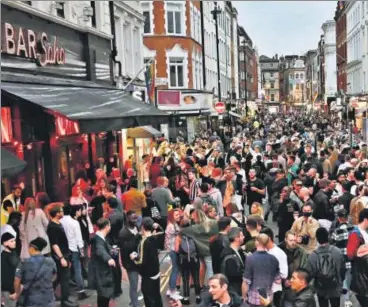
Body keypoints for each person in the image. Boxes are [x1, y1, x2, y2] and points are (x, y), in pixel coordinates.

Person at [306, 227, 345, 307]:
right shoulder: (337, 251)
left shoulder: (313, 255)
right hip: (335, 287)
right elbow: (343, 269)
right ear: (328, 236)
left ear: (317, 239)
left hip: (321, 288)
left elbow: (309, 273)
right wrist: (340, 282)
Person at [47, 205, 77, 307]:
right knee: (65, 277)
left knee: (60, 277)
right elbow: (54, 244)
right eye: (61, 211)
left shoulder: (58, 223)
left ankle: (49, 292)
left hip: (65, 253)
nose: (62, 212)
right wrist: (61, 258)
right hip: (60, 256)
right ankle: (65, 301)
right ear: (56, 214)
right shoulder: (52, 227)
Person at [14, 237, 57, 307]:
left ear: (32, 248)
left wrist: (17, 293)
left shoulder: (24, 262)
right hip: (49, 298)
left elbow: (16, 280)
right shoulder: (50, 261)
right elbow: (54, 276)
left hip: (31, 300)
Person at [60, 205, 90, 300]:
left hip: (64, 249)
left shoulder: (60, 221)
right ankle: (81, 291)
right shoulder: (74, 222)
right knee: (78, 269)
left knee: (65, 270)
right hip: (74, 248)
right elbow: (79, 238)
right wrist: (81, 250)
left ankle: (65, 290)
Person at [242, 234, 281, 307]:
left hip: (254, 299)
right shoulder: (273, 259)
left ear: (256, 242)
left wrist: (244, 297)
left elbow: (246, 282)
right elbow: (278, 281)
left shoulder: (250, 258)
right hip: (268, 298)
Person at [132, 217, 163, 307]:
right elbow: (162, 232)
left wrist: (134, 258)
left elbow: (141, 261)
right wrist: (158, 226)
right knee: (157, 297)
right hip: (156, 272)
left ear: (142, 227)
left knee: (149, 300)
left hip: (148, 276)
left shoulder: (144, 242)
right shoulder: (154, 236)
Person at [168, 274, 243, 307]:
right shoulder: (205, 303)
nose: (210, 290)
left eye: (214, 287)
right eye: (209, 287)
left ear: (224, 287)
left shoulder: (241, 304)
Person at [89, 218, 116, 307]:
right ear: (106, 226)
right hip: (101, 273)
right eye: (110, 225)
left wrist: (112, 250)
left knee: (102, 295)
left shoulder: (100, 237)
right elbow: (100, 250)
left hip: (101, 272)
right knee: (104, 296)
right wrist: (109, 258)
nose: (110, 227)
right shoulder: (98, 240)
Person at [278, 231, 308, 307]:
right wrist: (283, 281)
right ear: (285, 239)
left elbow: (305, 268)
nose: (293, 243)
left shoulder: (301, 252)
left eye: (295, 240)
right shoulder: (279, 251)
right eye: (291, 240)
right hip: (281, 289)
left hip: (296, 288)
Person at [119, 211, 141, 307]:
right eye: (133, 218)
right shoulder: (123, 233)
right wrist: (137, 237)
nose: (135, 220)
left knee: (140, 282)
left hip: (138, 260)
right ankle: (135, 304)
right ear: (127, 218)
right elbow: (126, 248)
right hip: (130, 263)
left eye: (136, 218)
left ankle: (133, 300)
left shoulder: (136, 227)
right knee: (134, 285)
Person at [261, 228, 288, 307]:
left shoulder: (279, 253)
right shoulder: (264, 251)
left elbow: (284, 274)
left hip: (275, 290)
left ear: (268, 239)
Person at [347, 208, 368, 306]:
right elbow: (350, 255)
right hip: (361, 276)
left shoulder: (364, 232)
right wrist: (363, 251)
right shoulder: (355, 234)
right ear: (365, 220)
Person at [220, 227, 245, 296]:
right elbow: (232, 275)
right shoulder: (229, 256)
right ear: (236, 238)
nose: (244, 237)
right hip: (234, 290)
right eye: (242, 235)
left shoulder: (239, 250)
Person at [165, 208, 182, 300]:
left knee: (174, 270)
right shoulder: (172, 226)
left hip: (171, 250)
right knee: (176, 270)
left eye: (178, 214)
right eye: (176, 215)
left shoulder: (173, 224)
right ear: (172, 216)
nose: (178, 216)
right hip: (173, 250)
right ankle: (172, 291)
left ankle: (171, 289)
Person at [1, 233, 19, 307]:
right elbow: (5, 276)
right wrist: (13, 291)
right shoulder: (4, 257)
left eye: (14, 240)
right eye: (11, 241)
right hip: (10, 290)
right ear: (5, 243)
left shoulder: (13, 254)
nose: (14, 242)